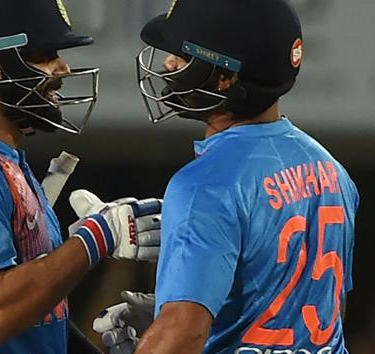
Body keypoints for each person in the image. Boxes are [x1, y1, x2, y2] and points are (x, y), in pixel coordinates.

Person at [93, 0, 359, 353]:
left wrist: (168, 330)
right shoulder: (332, 171)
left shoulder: (204, 184)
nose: (169, 64)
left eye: (182, 56)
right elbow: (325, 307)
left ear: (224, 77)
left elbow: (185, 332)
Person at [0, 0, 161, 353]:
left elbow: (36, 317)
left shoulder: (1, 164)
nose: (62, 69)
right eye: (43, 54)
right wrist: (97, 237)